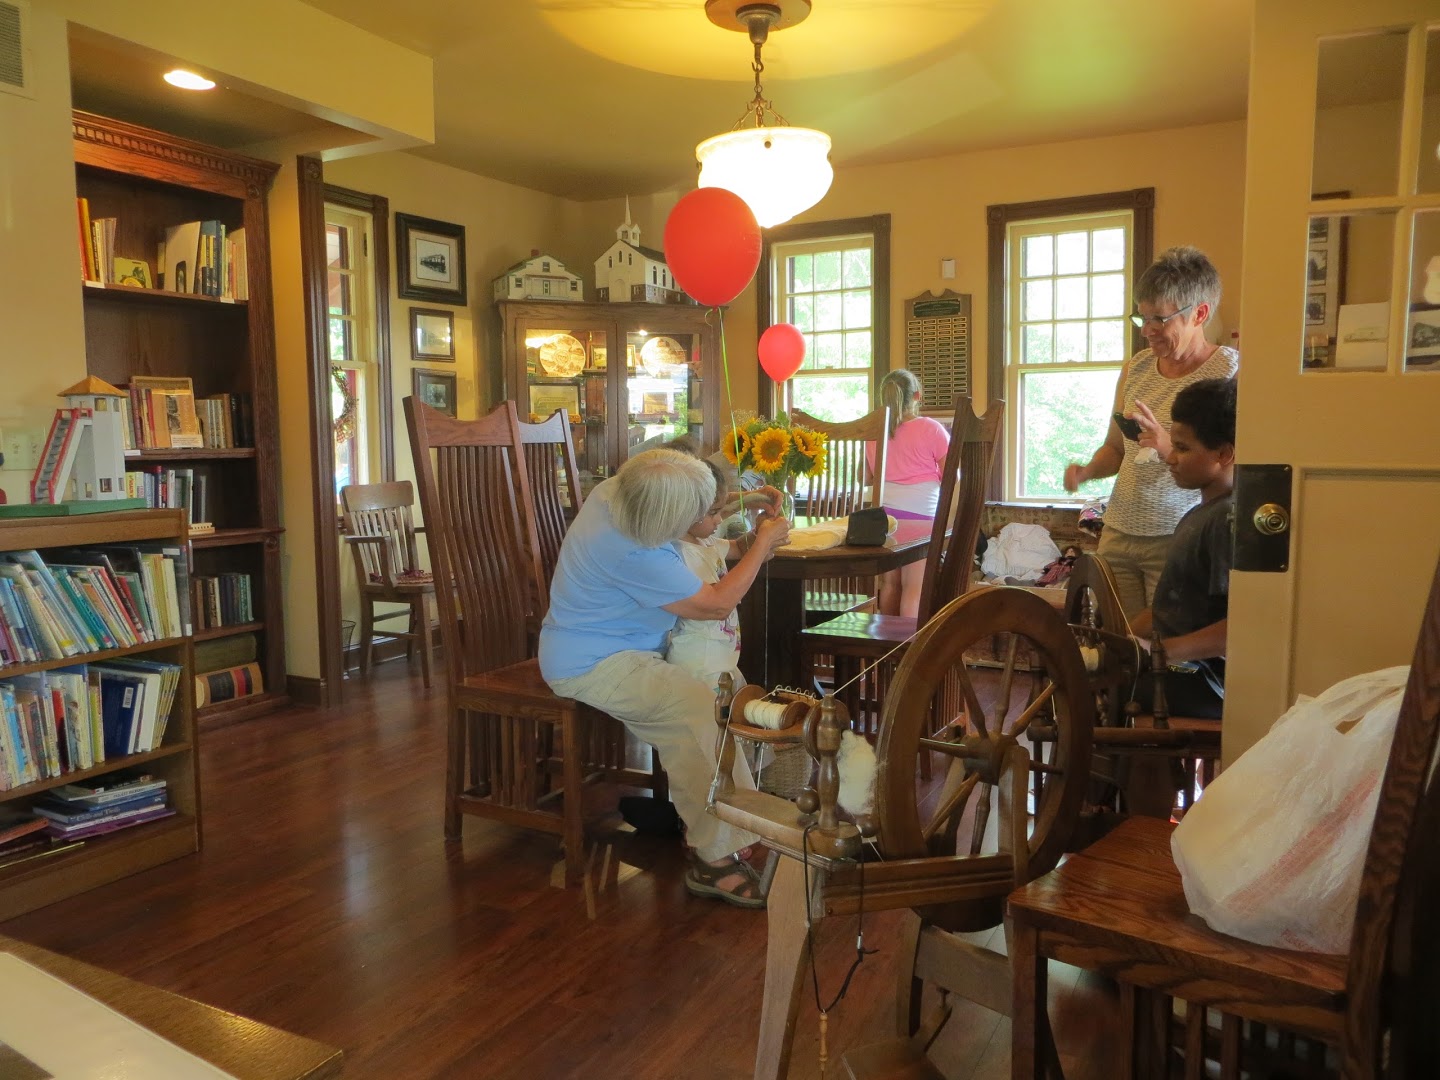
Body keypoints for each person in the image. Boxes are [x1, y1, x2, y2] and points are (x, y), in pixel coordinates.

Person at [539, 449, 791, 908]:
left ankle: (722, 817)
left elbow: (689, 526)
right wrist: (761, 546)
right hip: (594, 660)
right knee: (695, 709)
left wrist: (739, 510)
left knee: (721, 692)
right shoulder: (628, 549)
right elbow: (716, 604)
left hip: (636, 643)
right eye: (703, 512)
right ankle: (714, 857)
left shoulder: (618, 490)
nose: (706, 519)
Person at [1062, 246, 1239, 617]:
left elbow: (1233, 464)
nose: (1147, 331)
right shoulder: (1136, 368)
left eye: (1159, 318)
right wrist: (1087, 471)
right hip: (1119, 530)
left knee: (1166, 636)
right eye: (1142, 318)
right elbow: (1116, 448)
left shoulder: (1231, 372)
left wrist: (1166, 446)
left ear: (1199, 314)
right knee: (1118, 638)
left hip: (1178, 533)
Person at [1128, 377, 1236, 720]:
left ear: (1224, 454)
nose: (1170, 458)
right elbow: (1169, 610)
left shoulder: (1227, 520)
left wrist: (1160, 651)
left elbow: (1243, 624)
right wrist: (1120, 636)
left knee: (1096, 686)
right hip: (1179, 669)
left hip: (1205, 681)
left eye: (1183, 448)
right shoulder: (1197, 515)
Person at [866, 369, 951, 616]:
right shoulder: (931, 429)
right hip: (921, 516)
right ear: (917, 396)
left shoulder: (874, 433)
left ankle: (887, 638)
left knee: (890, 585)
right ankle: (910, 641)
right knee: (914, 587)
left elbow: (868, 477)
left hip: (883, 518)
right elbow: (951, 477)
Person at [665, 459, 751, 693]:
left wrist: (762, 532)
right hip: (700, 662)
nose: (720, 519)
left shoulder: (704, 541)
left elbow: (740, 548)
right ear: (687, 510)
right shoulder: (680, 551)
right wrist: (763, 542)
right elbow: (717, 599)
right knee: (711, 713)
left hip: (720, 658)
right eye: (713, 512)